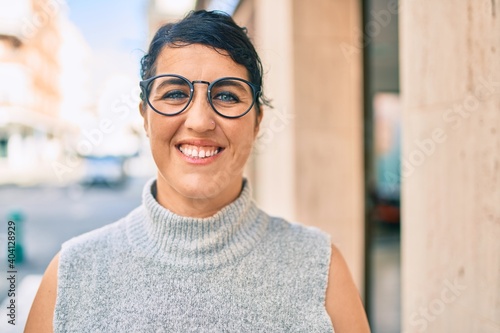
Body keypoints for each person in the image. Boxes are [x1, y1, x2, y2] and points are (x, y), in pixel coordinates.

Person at [25, 10, 370, 332]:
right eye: (175, 93)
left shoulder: (321, 269)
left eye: (227, 97)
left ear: (257, 122)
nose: (201, 121)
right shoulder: (71, 275)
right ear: (145, 116)